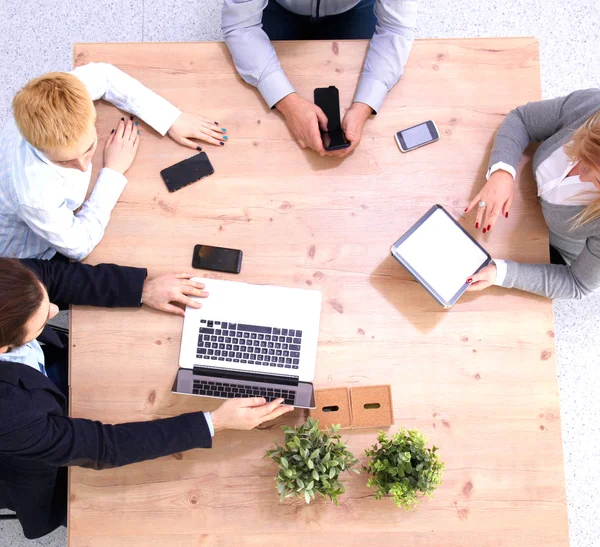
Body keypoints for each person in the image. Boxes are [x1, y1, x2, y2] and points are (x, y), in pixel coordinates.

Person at [0, 258, 292, 539]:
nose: (55, 309)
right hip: (37, 464)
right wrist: (216, 421)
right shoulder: (12, 415)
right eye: (40, 321)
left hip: (40, 384)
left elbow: (52, 277)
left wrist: (143, 289)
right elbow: (103, 445)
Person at [0, 62, 229, 261]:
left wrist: (170, 118)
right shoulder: (34, 197)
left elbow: (104, 75)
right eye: (64, 162)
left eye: (89, 148)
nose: (82, 166)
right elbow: (80, 246)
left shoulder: (63, 96)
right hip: (30, 252)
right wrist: (112, 171)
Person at [222, 0, 417, 157]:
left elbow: (396, 29)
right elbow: (241, 26)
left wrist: (364, 105)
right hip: (279, 8)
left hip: (353, 9)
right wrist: (287, 103)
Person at [464, 89, 600, 299]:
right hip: (520, 193)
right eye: (584, 157)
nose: (581, 178)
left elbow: (578, 284)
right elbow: (521, 119)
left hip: (551, 250)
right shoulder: (591, 105)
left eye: (597, 181)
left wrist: (501, 274)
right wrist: (502, 171)